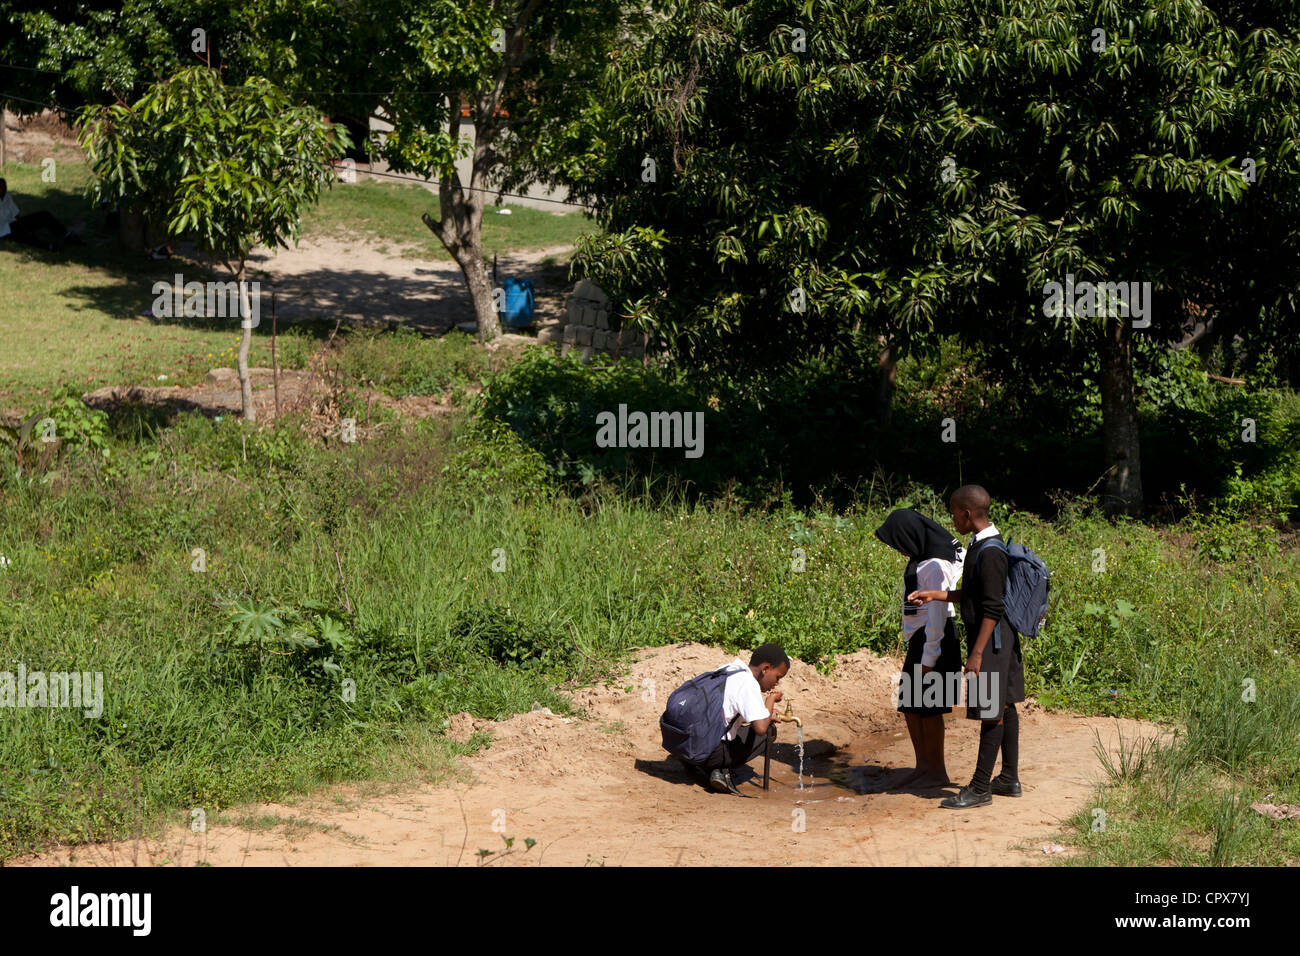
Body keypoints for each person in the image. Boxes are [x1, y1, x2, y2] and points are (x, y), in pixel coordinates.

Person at [908, 484, 1024, 809]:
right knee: (1005, 705)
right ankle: (1009, 778)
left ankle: (979, 788)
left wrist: (976, 655)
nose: (952, 519)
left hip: (991, 642)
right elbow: (975, 595)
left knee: (991, 712)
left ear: (967, 513)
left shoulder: (990, 552)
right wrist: (936, 595)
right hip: (999, 640)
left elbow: (993, 607)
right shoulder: (982, 544)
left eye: (954, 513)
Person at [874, 508, 966, 790]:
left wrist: (929, 658)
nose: (899, 551)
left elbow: (939, 612)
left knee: (930, 708)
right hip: (922, 637)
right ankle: (923, 766)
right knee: (911, 706)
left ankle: (936, 770)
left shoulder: (933, 565)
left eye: (899, 543)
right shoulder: (924, 557)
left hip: (935, 639)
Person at [692, 644, 789, 795]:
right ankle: (716, 767)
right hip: (706, 751)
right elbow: (761, 728)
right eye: (778, 677)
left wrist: (765, 713)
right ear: (766, 669)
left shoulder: (730, 669)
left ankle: (705, 765)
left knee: (740, 730)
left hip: (687, 742)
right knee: (769, 731)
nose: (776, 683)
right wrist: (771, 699)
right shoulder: (749, 684)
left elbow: (730, 712)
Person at [0, 178, 78, 252]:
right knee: (26, 237)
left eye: (5, 187)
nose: (4, 189)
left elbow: (15, 214)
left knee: (44, 215)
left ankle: (65, 234)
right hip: (5, 231)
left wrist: (24, 224)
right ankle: (49, 247)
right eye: (2, 188)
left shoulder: (7, 196)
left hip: (14, 224)